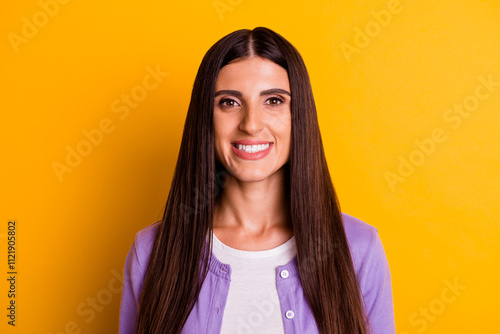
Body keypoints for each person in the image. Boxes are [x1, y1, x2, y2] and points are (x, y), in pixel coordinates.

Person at [119, 26, 395, 334]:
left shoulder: (358, 249)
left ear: (298, 115)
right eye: (229, 102)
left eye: (274, 100)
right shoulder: (152, 251)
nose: (251, 125)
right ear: (206, 118)